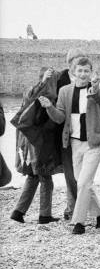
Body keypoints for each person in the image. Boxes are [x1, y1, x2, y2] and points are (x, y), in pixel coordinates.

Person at [40, 57, 100, 234]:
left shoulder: (96, 89)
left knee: (82, 182)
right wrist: (49, 107)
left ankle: (78, 222)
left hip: (94, 143)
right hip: (74, 142)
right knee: (83, 183)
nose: (83, 74)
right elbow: (59, 118)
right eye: (79, 70)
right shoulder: (65, 91)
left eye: (86, 71)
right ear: (73, 72)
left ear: (91, 72)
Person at [10, 67, 63, 225]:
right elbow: (32, 97)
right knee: (45, 176)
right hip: (36, 143)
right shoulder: (39, 95)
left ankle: (18, 211)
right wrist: (44, 82)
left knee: (34, 176)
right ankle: (44, 215)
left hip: (30, 141)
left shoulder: (35, 94)